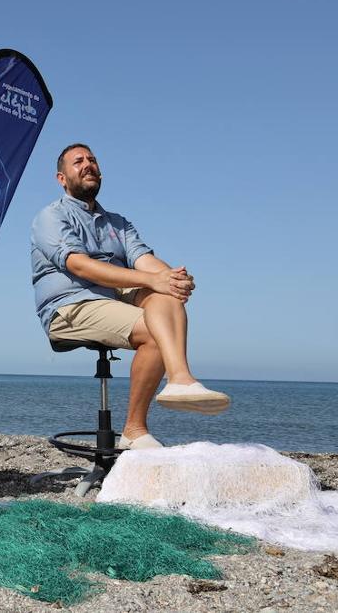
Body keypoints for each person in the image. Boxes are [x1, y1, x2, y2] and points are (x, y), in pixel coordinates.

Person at [30, 143, 229, 450]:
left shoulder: (118, 223)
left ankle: (180, 379)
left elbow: (145, 261)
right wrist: (154, 279)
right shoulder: (50, 216)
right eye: (78, 161)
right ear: (61, 178)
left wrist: (172, 279)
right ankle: (135, 429)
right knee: (156, 330)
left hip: (112, 301)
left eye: (93, 160)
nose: (88, 165)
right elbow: (81, 266)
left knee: (165, 298)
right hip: (70, 305)